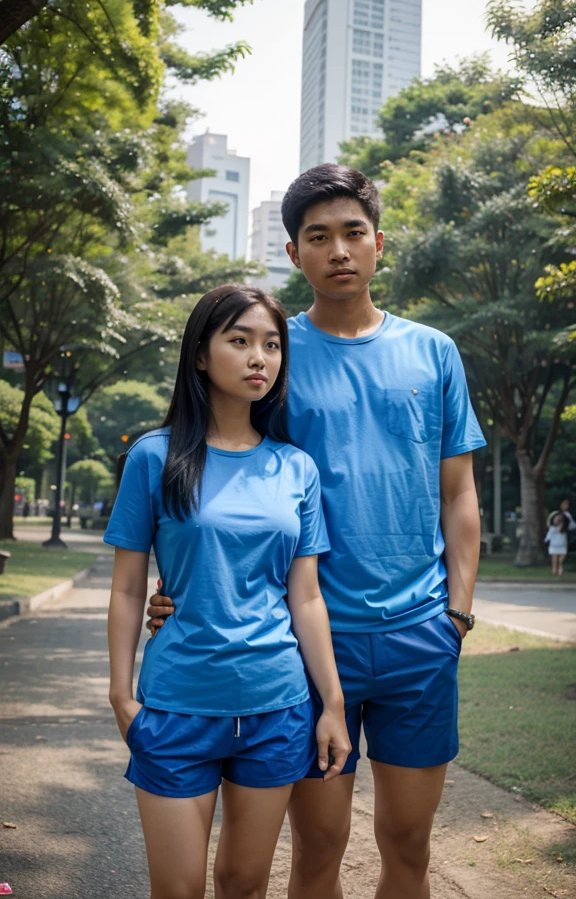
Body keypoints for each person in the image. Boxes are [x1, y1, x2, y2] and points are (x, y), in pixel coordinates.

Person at [149, 165, 486, 899]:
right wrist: (179, 582)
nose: (338, 250)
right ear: (295, 254)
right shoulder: (273, 354)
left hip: (419, 635)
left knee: (408, 844)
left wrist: (456, 613)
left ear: (378, 244)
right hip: (302, 647)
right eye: (317, 236)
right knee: (319, 849)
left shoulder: (434, 352)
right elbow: (224, 470)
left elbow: (458, 492)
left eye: (353, 233)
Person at [105, 284, 350, 899]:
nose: (258, 358)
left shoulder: (296, 468)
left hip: (277, 708)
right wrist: (119, 696)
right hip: (177, 706)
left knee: (243, 884)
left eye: (271, 345)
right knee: (179, 888)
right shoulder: (152, 458)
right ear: (200, 355)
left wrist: (333, 705)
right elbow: (130, 586)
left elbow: (307, 597)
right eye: (238, 341)